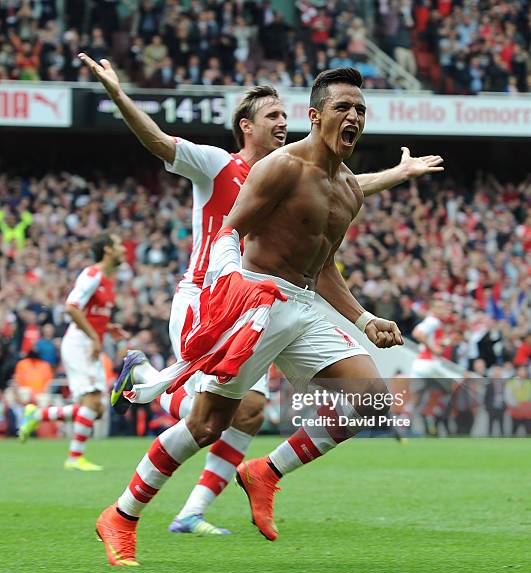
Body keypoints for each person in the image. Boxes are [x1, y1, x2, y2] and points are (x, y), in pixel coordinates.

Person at [79, 53, 445, 536]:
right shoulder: (270, 167)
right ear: (316, 117)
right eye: (342, 107)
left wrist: (363, 319)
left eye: (360, 109)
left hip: (302, 304)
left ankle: (264, 472)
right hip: (248, 299)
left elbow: (324, 265)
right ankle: (123, 514)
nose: (353, 116)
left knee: (371, 400)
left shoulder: (348, 189)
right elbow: (231, 231)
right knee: (207, 423)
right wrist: (233, 281)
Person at [18, 232, 128, 471]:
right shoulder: (92, 274)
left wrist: (107, 328)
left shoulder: (109, 280)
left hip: (91, 343)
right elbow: (71, 307)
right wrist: (93, 336)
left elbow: (90, 314)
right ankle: (74, 458)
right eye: (119, 244)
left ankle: (36, 415)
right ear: (107, 250)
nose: (123, 249)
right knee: (90, 402)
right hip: (80, 343)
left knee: (96, 409)